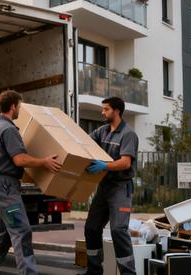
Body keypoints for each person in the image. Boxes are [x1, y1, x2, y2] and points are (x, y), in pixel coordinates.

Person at [0, 90, 62, 275]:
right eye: (20, 106)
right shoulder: (9, 129)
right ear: (13, 106)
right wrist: (44, 162)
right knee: (22, 231)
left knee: (4, 234)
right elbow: (20, 160)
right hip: (6, 188)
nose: (20, 110)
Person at [82, 97, 139, 275]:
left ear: (117, 111)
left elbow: (125, 163)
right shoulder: (103, 131)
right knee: (91, 228)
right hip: (104, 187)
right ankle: (94, 270)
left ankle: (128, 273)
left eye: (106, 109)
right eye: (103, 109)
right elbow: (84, 142)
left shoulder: (128, 134)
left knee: (118, 231)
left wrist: (104, 166)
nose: (102, 112)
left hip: (120, 188)